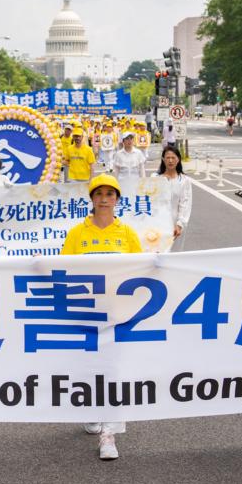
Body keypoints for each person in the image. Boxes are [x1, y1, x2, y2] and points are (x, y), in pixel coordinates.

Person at [61, 174, 143, 460]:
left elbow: (140, 270)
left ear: (117, 200)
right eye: (99, 194)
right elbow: (64, 269)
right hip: (86, 313)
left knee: (115, 369)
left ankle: (109, 434)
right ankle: (93, 410)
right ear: (92, 199)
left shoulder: (127, 234)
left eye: (110, 194)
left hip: (118, 313)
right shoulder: (77, 233)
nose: (105, 198)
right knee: (90, 366)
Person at [157, 145, 192, 249]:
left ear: (178, 159)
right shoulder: (155, 179)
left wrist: (180, 224)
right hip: (158, 224)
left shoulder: (184, 181)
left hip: (176, 225)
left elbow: (185, 204)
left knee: (174, 254)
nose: (170, 161)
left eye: (173, 158)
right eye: (167, 158)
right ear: (163, 159)